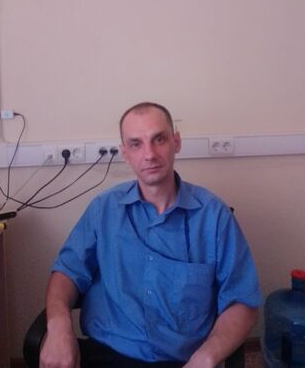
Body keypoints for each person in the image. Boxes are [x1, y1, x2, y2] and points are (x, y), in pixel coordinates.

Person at [40, 102, 261, 368]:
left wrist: (206, 357)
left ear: (176, 142)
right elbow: (66, 272)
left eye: (159, 139)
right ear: (125, 153)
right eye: (136, 144)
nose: (149, 154)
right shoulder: (104, 209)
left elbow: (242, 301)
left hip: (183, 361)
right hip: (105, 353)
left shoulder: (214, 217)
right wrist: (59, 326)